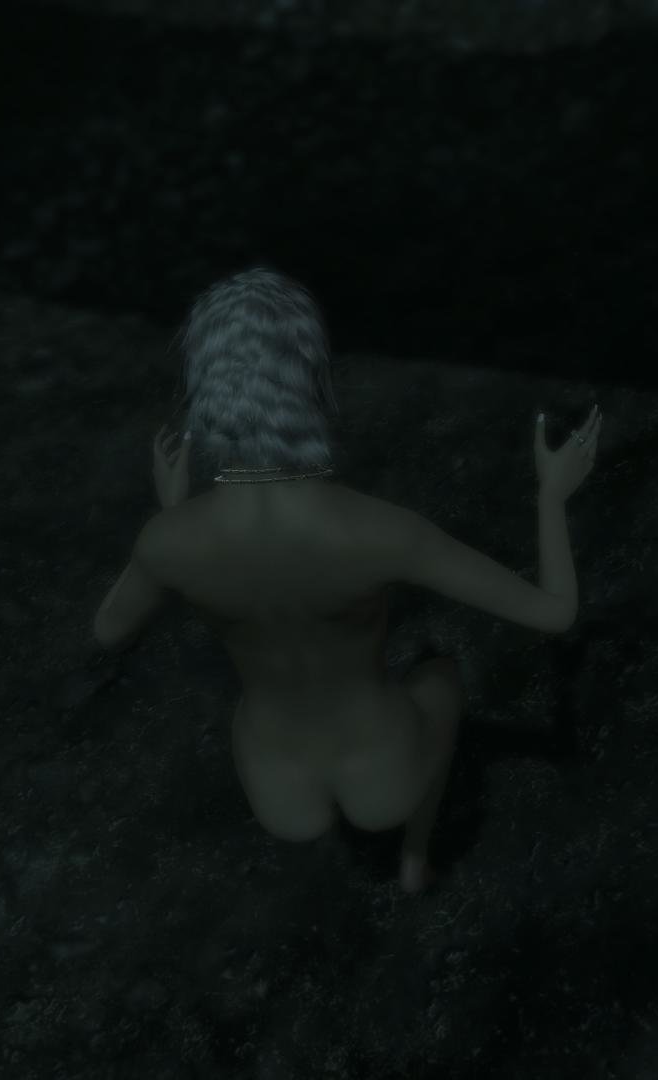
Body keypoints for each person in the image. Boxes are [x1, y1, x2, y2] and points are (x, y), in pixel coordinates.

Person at [90, 268, 602, 894]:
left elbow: (109, 630)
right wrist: (552, 495)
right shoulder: (379, 530)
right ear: (310, 381)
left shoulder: (168, 542)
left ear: (207, 389)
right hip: (382, 770)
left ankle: (390, 844)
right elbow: (554, 612)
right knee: (441, 672)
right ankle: (414, 856)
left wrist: (171, 516)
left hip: (277, 785)